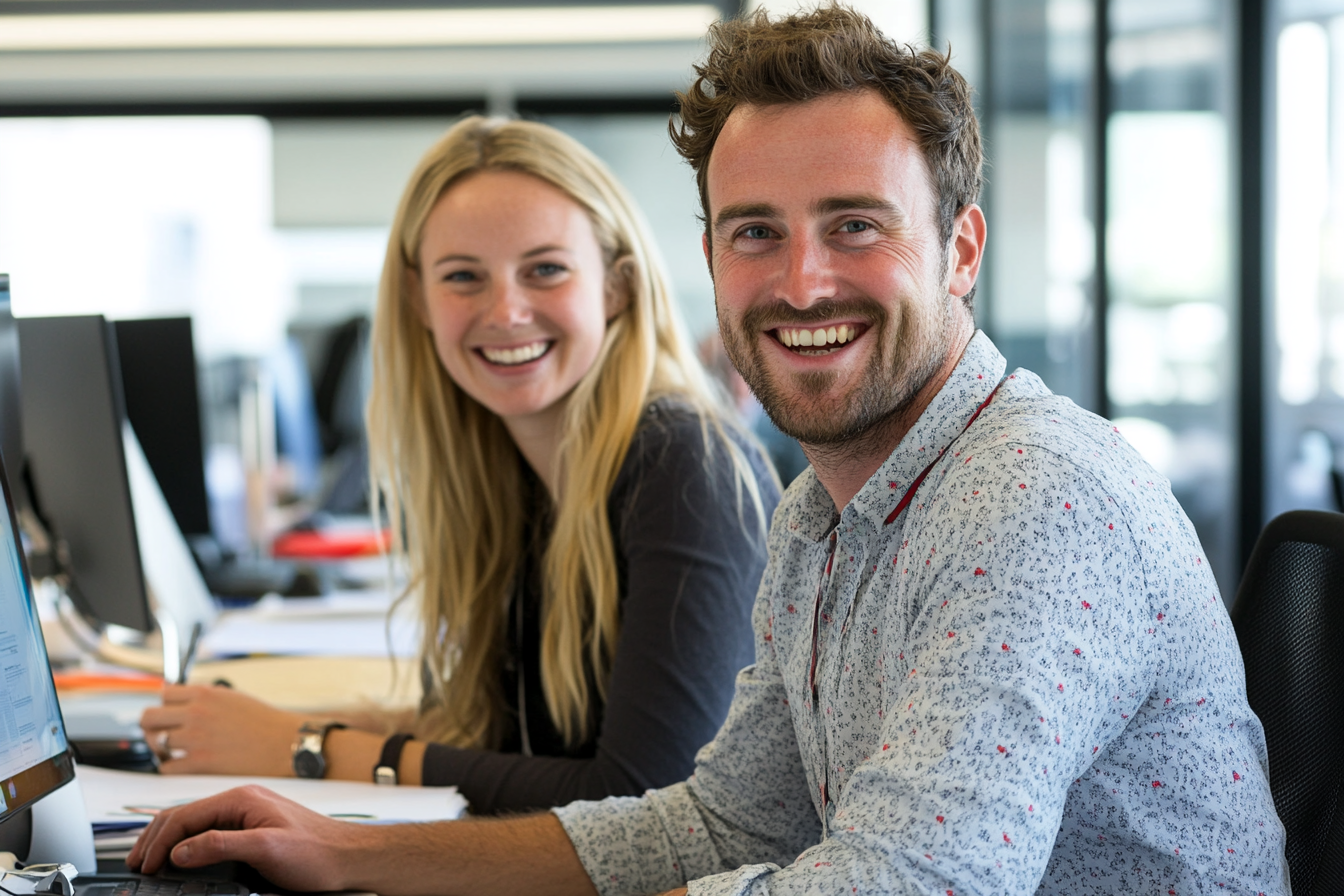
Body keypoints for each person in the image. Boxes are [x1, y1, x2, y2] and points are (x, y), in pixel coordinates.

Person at [128, 8, 1290, 895]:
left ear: (962, 248)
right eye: (755, 234)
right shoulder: (826, 512)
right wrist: (354, 850)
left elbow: (909, 883)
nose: (800, 282)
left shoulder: (1032, 498)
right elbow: (723, 822)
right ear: (710, 257)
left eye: (855, 225)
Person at [137, 116, 779, 815]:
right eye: (463, 277)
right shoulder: (514, 471)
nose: (505, 311)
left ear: (616, 286)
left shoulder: (685, 461)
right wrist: (272, 728)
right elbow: (509, 739)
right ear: (418, 300)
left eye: (545, 270)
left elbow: (641, 802)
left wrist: (304, 746)